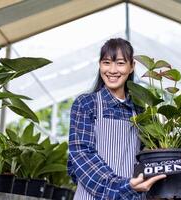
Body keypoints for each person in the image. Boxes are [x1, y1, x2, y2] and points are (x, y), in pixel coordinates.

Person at [67, 38, 166, 200]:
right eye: (107, 62)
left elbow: (146, 158)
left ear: (132, 66)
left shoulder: (140, 111)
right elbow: (81, 155)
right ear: (99, 65)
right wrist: (123, 186)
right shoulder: (86, 104)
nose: (112, 70)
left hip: (132, 194)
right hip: (92, 196)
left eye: (120, 63)